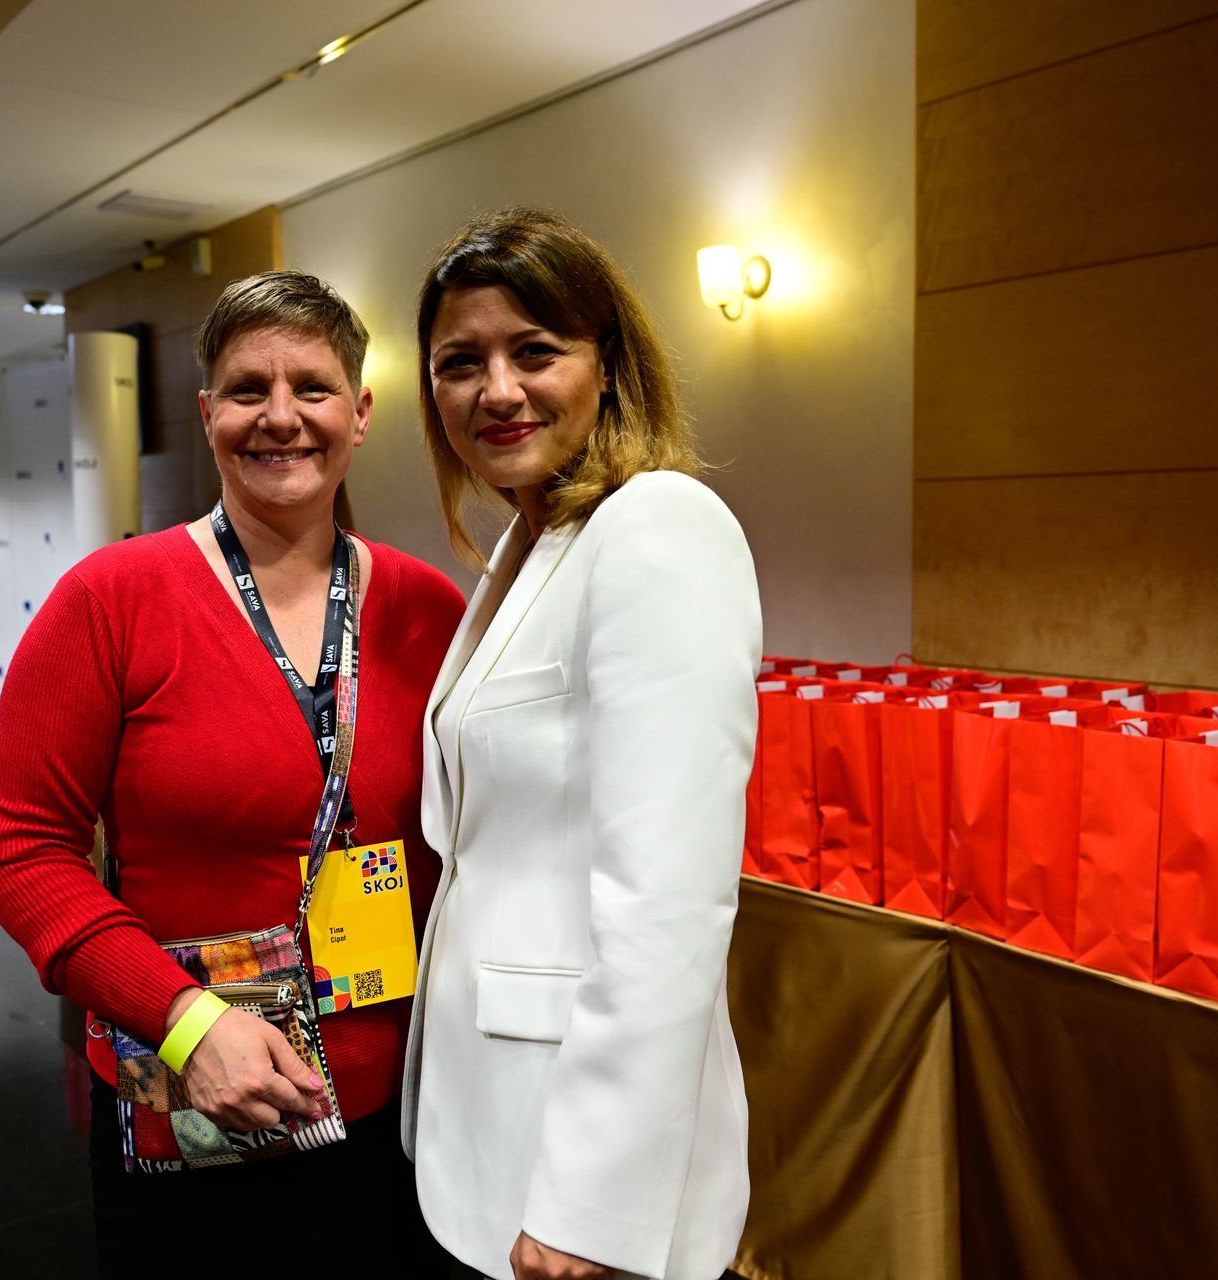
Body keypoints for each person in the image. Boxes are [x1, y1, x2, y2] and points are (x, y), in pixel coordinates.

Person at [0, 271, 464, 1273]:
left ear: (361, 412)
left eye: (313, 387)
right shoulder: (110, 600)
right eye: (248, 390)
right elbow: (22, 850)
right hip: (199, 1110)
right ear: (207, 416)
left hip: (410, 1111)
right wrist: (185, 1021)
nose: (281, 416)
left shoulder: (429, 608)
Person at [406, 207, 762, 1280]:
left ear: (607, 366)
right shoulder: (534, 544)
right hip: (493, 1113)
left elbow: (670, 900)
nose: (497, 390)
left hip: (586, 1167)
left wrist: (592, 1205)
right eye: (460, 362)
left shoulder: (659, 525)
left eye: (535, 352)